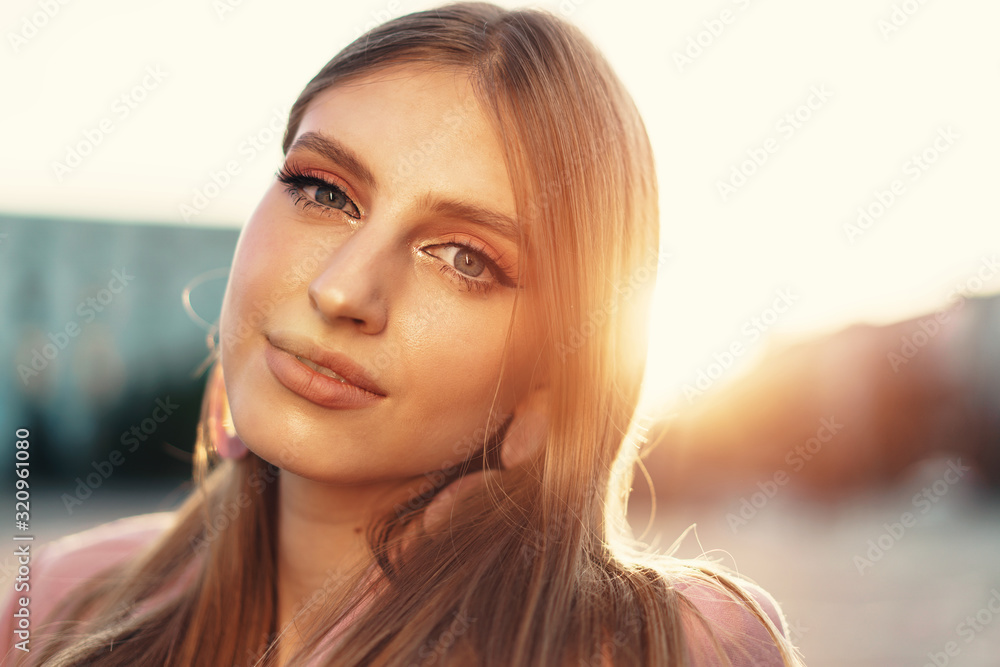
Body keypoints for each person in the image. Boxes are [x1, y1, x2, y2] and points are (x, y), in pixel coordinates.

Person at [2, 3, 805, 665]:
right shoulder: (53, 605)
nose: (344, 287)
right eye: (323, 191)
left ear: (551, 381)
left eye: (464, 257)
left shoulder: (666, 645)